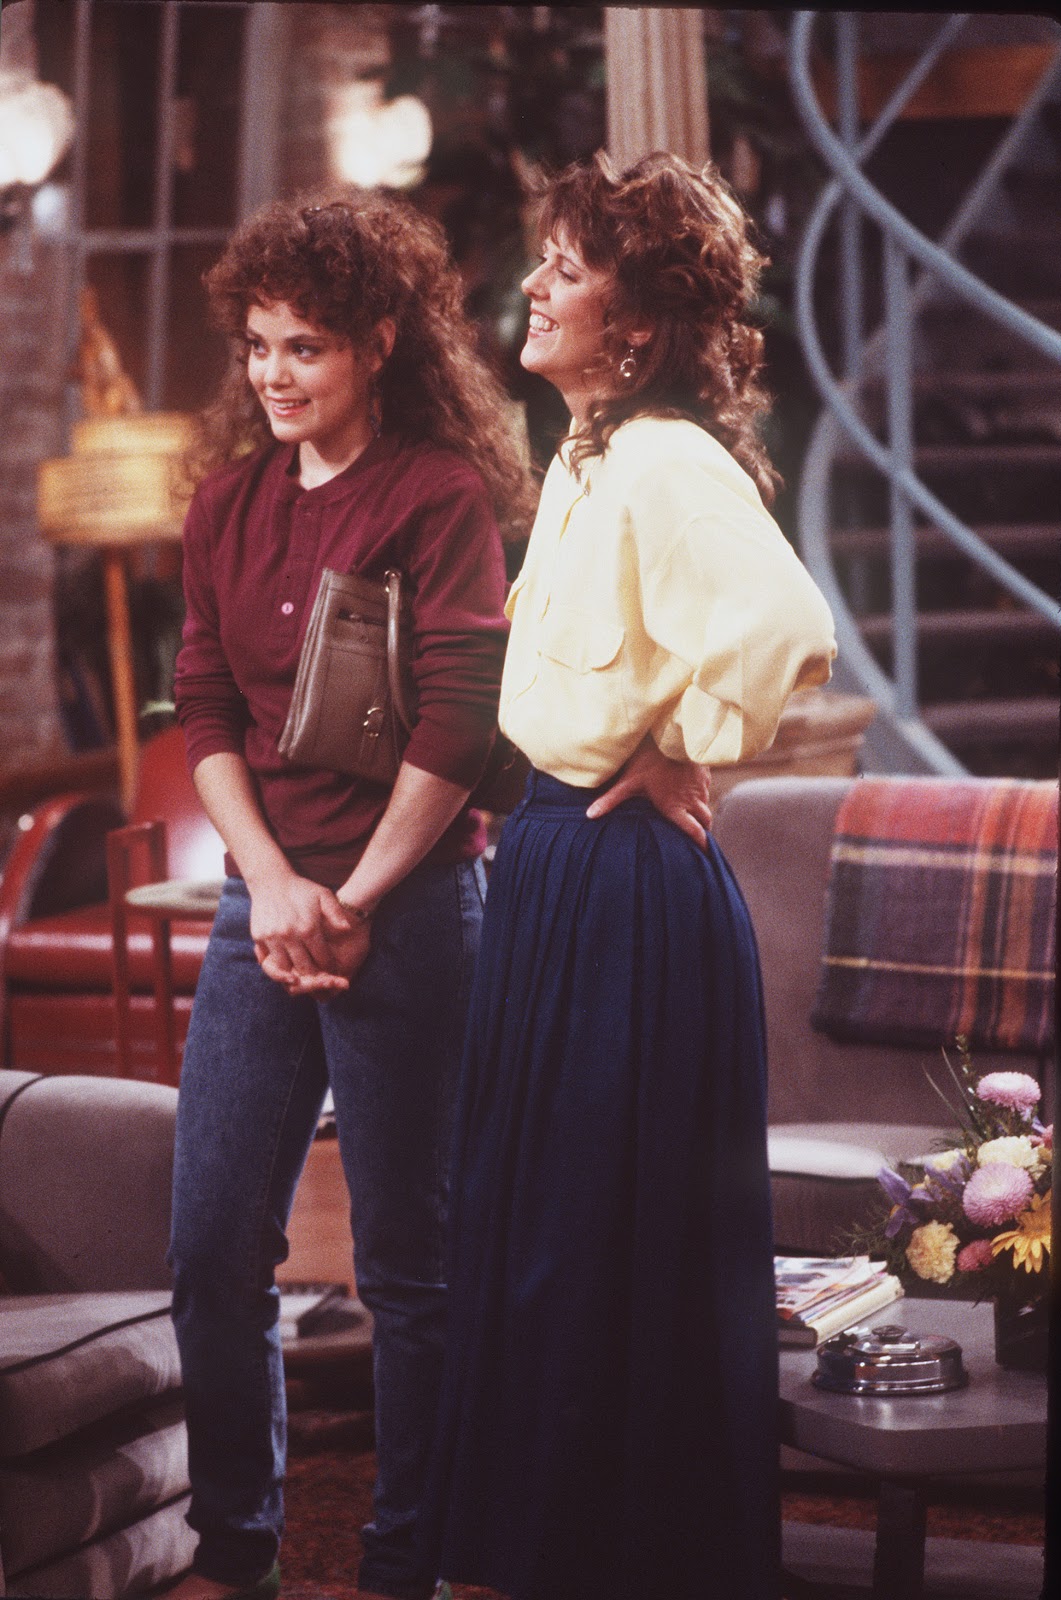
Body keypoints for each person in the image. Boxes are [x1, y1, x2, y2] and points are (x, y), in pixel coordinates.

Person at [420, 151, 838, 1600]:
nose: (533, 284)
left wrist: (686, 750)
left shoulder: (665, 459)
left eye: (569, 267)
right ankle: (552, 1559)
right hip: (553, 866)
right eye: (543, 257)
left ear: (639, 326)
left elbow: (785, 623)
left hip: (623, 887)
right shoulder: (589, 460)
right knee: (545, 1237)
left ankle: (635, 1564)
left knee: (603, 1249)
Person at [166, 191, 533, 1600]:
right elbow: (203, 707)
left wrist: (360, 894)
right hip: (263, 910)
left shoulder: (437, 495)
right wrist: (269, 886)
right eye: (258, 346)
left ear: (379, 342)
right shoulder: (224, 505)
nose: (272, 374)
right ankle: (234, 1549)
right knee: (211, 1248)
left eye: (304, 347)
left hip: (416, 907)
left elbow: (456, 721)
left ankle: (407, 1562)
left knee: (413, 1269)